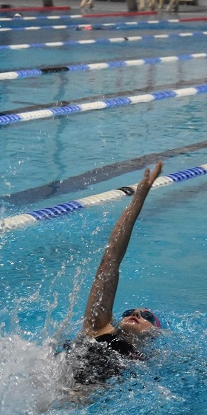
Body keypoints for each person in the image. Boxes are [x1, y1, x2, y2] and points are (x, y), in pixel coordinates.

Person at [65, 162, 164, 386]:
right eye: (130, 311)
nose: (136, 314)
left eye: (146, 316)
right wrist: (138, 201)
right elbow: (110, 261)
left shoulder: (145, 361)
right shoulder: (100, 326)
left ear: (157, 333)